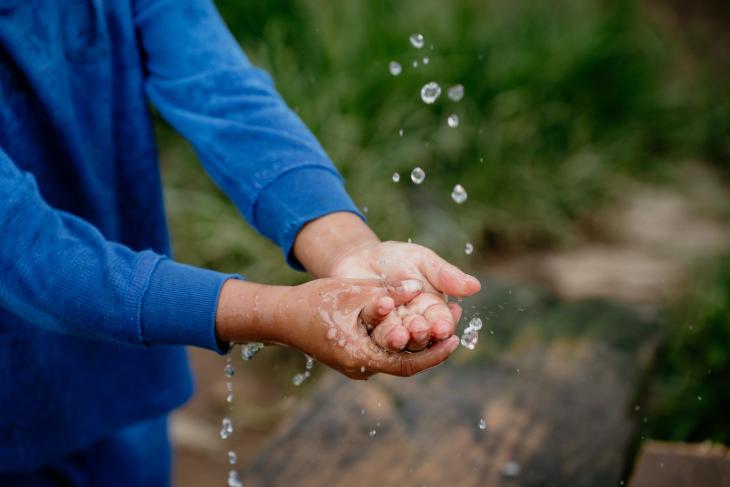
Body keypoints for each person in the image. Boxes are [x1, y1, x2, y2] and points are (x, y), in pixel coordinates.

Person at [0, 0, 481, 485]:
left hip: (121, 364)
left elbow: (222, 93)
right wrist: (272, 313)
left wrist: (347, 248)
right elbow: (24, 249)